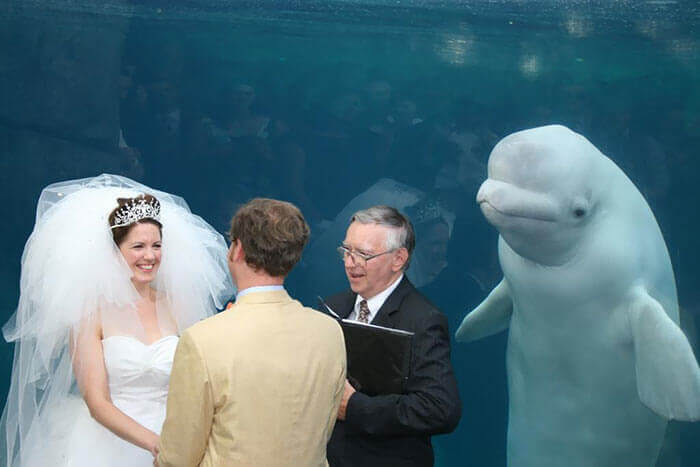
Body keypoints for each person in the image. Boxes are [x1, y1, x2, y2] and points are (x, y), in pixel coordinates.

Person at [0, 174, 233, 467]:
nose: (150, 256)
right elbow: (97, 402)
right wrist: (158, 445)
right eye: (138, 247)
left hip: (174, 434)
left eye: (156, 245)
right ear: (116, 251)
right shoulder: (90, 313)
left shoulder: (177, 306)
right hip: (111, 445)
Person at [157, 198, 346, 467]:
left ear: (238, 250)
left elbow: (178, 457)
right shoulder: (329, 332)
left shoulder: (203, 339)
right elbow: (323, 429)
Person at [325, 205, 461, 467]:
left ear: (398, 259)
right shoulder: (332, 307)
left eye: (363, 254)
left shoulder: (423, 320)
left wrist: (355, 407)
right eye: (346, 251)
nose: (350, 263)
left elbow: (441, 409)